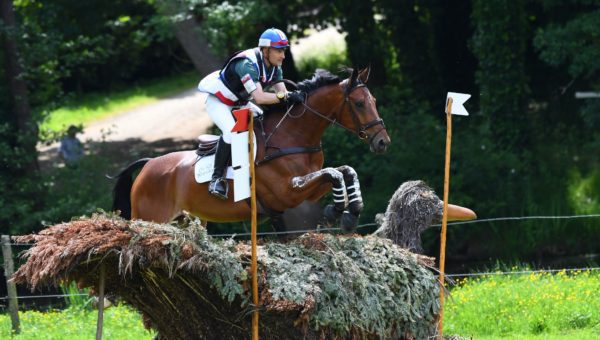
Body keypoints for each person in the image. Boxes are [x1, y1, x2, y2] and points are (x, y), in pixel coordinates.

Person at [197, 27, 304, 199]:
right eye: (278, 51)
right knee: (231, 134)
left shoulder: (275, 66)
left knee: (262, 119)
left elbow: (282, 94)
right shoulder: (247, 64)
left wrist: (293, 97)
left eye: (284, 50)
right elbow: (261, 97)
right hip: (220, 102)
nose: (283, 56)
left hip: (239, 102)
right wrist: (286, 96)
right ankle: (216, 179)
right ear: (266, 50)